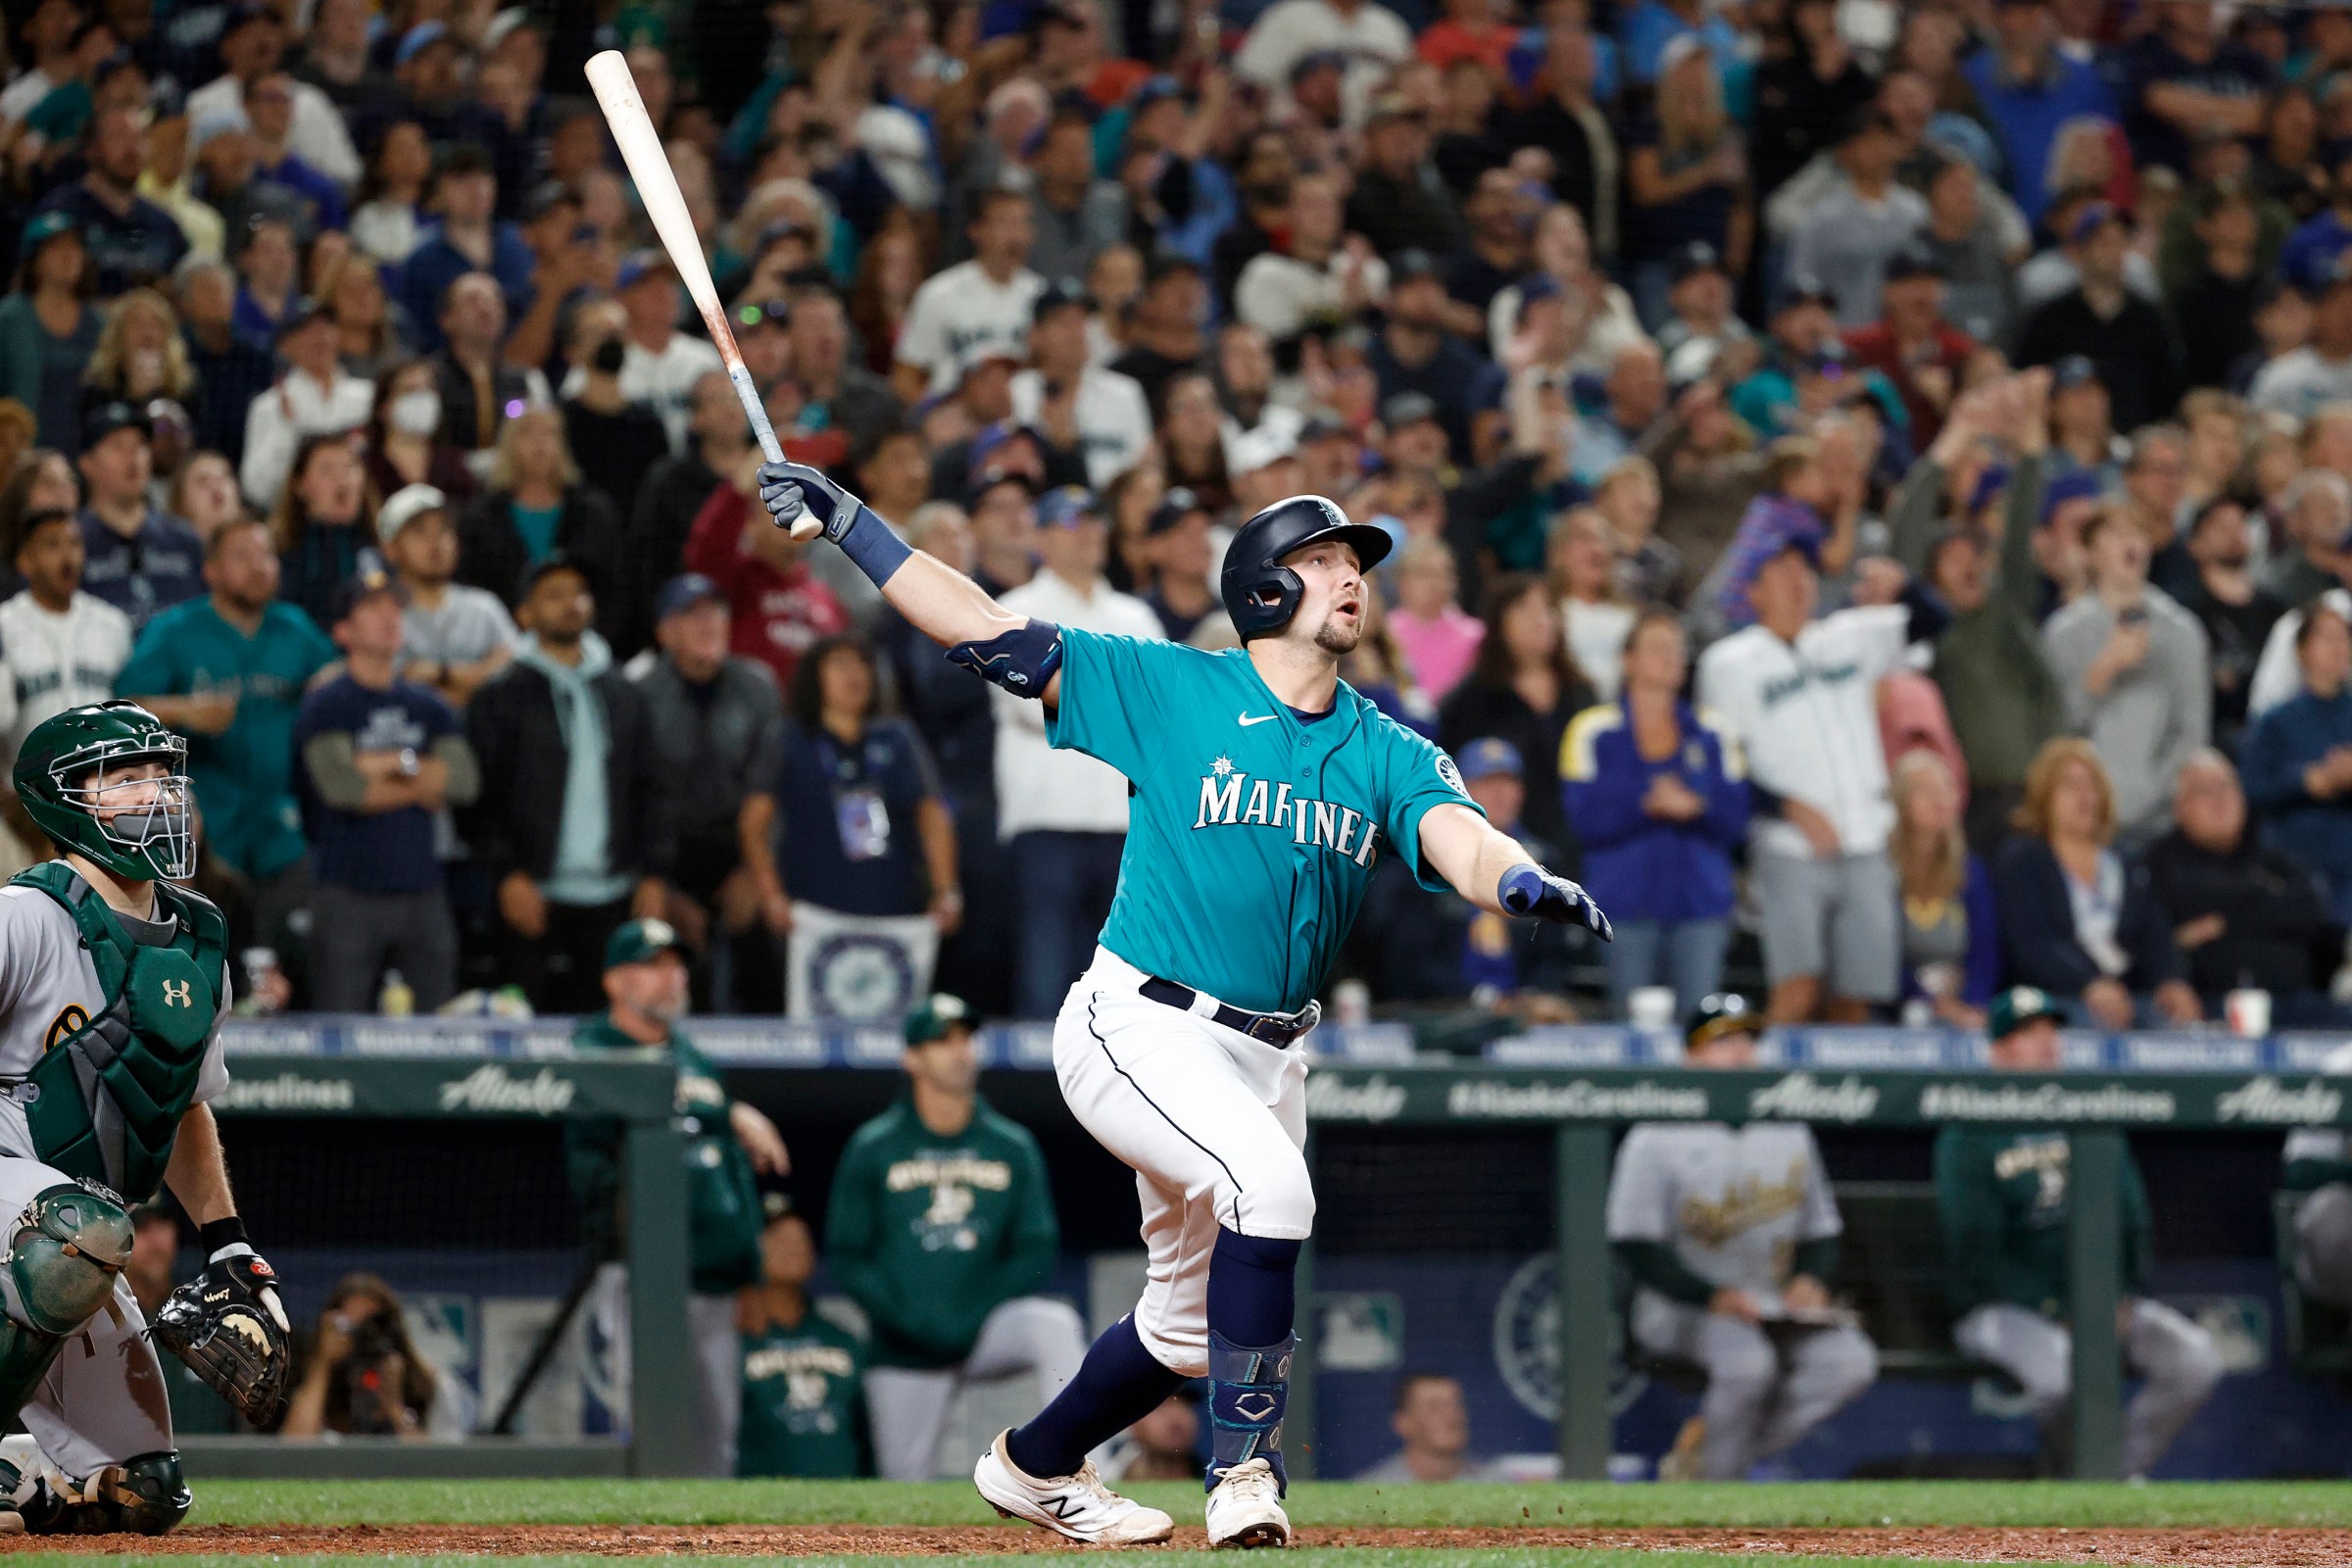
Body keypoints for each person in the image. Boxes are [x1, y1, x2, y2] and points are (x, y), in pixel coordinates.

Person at [756, 450, 1610, 1545]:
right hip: (1139, 1021)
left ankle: (1033, 1464)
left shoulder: (1385, 744)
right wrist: (852, 524)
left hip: (1268, 1052)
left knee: (1185, 1327)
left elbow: (1458, 835)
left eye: (1358, 561)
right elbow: (982, 628)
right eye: (1323, 557)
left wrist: (1518, 879)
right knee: (1274, 1190)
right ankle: (1245, 1474)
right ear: (1263, 586)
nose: (1352, 575)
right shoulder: (1171, 687)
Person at [0, 701, 283, 1532]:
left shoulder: (197, 940)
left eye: (163, 776)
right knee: (80, 1233)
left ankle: (23, 1480)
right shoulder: (24, 916)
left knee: (142, 1490)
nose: (157, 795)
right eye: (127, 779)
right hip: (34, 1213)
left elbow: (183, 1101)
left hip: (73, 1234)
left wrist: (229, 1242)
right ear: (65, 803)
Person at [1936, 986, 2224, 1479]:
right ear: (1999, 1051)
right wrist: (2062, 1310)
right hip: (2006, 1309)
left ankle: (2114, 1478)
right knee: (2061, 1374)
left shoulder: (2088, 1112)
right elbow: (1976, 1249)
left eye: (2051, 1031)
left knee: (2196, 1360)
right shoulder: (1970, 1131)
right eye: (2028, 1034)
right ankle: (2087, 1479)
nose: (2046, 1043)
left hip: (2103, 1303)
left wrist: (2120, 1295)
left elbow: (2133, 1222)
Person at [1607, 994, 1879, 1482]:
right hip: (1680, 1307)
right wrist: (1712, 1297)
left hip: (1771, 1304)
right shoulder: (1655, 1132)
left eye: (1748, 1040)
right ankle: (1718, 1493)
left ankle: (1707, 1456)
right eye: (1723, 1042)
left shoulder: (1787, 1126)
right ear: (1690, 1058)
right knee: (1747, 1363)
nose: (1741, 1053)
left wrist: (1809, 1280)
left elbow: (1821, 1232)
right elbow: (1634, 1244)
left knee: (1849, 1362)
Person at [826, 994, 1084, 1481]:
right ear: (911, 1058)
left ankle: (1086, 1468)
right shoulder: (874, 1145)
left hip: (985, 1328)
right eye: (942, 1041)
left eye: (966, 1039)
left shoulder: (1010, 1144)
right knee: (903, 1485)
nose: (960, 1051)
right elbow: (849, 1255)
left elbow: (1035, 1248)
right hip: (904, 1341)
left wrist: (971, 1313)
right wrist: (911, 1321)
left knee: (1051, 1323)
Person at [569, 918, 789, 1477]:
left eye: (676, 963)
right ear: (615, 982)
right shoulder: (594, 1050)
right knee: (644, 1426)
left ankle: (714, 1557)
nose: (671, 977)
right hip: (640, 1273)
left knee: (716, 1440)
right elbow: (592, 1169)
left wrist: (750, 1271)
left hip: (714, 1280)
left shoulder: (692, 1056)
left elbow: (729, 1172)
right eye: (652, 965)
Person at [1696, 525, 1922, 1023]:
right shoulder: (1728, 663)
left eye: (1804, 570)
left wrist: (1901, 586)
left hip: (1866, 840)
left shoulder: (1848, 637)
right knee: (1796, 989)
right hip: (1788, 847)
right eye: (1781, 571)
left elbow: (1936, 622)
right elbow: (1723, 768)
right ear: (1752, 591)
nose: (1798, 580)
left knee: (1856, 999)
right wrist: (1787, 808)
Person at [462, 556, 671, 1014]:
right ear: (525, 614)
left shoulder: (623, 693)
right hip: (533, 894)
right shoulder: (500, 696)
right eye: (554, 595)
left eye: (579, 593)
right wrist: (508, 874)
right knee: (525, 1034)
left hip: (615, 895)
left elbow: (651, 788)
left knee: (613, 1030)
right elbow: (481, 799)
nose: (571, 604)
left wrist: (654, 875)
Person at [995, 489, 1163, 1018]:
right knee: (1045, 968)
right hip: (1046, 818)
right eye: (1071, 523)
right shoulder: (1017, 608)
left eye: (1094, 522)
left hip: (1126, 822)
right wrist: (1118, 703)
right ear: (1041, 538)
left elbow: (1163, 715)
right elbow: (1027, 705)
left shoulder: (1135, 615)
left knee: (1127, 979)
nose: (1089, 533)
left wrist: (1080, 694)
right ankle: (1039, 1092)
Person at [738, 636, 958, 1018]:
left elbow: (933, 816)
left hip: (894, 909)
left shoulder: (898, 738)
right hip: (813, 912)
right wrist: (769, 894)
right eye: (839, 664)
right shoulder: (788, 738)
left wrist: (946, 890)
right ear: (814, 677)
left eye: (861, 664)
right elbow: (754, 822)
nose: (854, 674)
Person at [115, 518, 333, 903]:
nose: (258, 566)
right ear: (210, 570)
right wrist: (183, 710)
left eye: (266, 555)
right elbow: (123, 707)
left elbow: (336, 674)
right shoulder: (176, 629)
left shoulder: (294, 627)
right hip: (207, 829)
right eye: (242, 556)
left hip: (281, 828)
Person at [293, 562, 478, 1014]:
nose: (390, 615)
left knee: (438, 1026)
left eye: (394, 606)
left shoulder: (429, 706)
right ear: (343, 631)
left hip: (424, 890)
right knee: (343, 1022)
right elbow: (343, 790)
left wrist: (387, 763)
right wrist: (419, 780)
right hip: (348, 892)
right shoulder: (327, 705)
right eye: (372, 608)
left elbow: (464, 782)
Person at [1562, 612, 1747, 1019]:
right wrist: (1646, 803)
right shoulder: (1591, 730)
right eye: (1658, 647)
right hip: (1624, 904)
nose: (1671, 657)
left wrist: (1696, 807)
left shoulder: (1714, 731)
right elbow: (1583, 817)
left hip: (1699, 904)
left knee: (1700, 1026)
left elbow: (1736, 817)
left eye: (1677, 649)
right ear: (1628, 660)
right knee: (1630, 1030)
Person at [631, 575, 783, 1008]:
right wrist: (658, 882)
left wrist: (757, 872)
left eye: (715, 612)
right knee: (669, 957)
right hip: (667, 855)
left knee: (764, 951)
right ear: (664, 632)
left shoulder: (758, 687)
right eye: (690, 614)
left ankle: (771, 1068)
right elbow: (632, 795)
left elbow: (774, 789)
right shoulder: (639, 695)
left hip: (740, 850)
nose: (707, 623)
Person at [1993, 738, 2202, 1029]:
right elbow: (2033, 943)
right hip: (2056, 995)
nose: (2085, 795)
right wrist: (2088, 985)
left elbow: (2153, 933)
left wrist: (2171, 980)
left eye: (2091, 785)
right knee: (2092, 1021)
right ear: (2044, 795)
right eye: (2070, 785)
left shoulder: (2124, 862)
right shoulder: (2023, 859)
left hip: (2126, 994)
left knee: (2179, 1026)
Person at [2040, 506, 2212, 843]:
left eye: (2138, 534)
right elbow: (2056, 732)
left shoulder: (2183, 630)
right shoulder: (2064, 633)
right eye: (2117, 535)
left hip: (2163, 820)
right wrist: (2101, 673)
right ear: (2091, 554)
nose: (2131, 543)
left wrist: (2152, 793)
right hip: (2087, 816)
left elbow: (2193, 731)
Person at [2144, 750, 2346, 1026]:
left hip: (2297, 1003)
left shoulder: (2271, 855)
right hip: (2209, 1006)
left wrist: (2222, 922)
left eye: (2228, 786)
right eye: (2205, 790)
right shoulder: (2160, 860)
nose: (2220, 798)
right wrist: (2268, 898)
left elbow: (2311, 909)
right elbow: (2183, 899)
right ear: (2179, 807)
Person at [1438, 575, 1594, 858]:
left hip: (1580, 841)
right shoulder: (1471, 701)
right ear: (1499, 622)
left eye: (1548, 609)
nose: (1541, 620)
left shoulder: (1581, 696)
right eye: (1526, 609)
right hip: (1499, 847)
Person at [456, 409, 625, 641]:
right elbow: (472, 591)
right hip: (503, 647)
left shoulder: (594, 513)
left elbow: (614, 589)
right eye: (528, 434)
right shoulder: (480, 517)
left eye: (549, 434)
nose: (540, 445)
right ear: (509, 444)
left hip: (585, 645)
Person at [736, 1188, 870, 1478]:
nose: (794, 1247)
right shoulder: (734, 1342)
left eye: (801, 1238)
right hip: (755, 1507)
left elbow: (869, 1435)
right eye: (778, 1240)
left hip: (849, 1505)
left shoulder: (843, 1339)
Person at [2239, 601, 2352, 924]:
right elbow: (2252, 788)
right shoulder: (2275, 721)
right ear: (2301, 651)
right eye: (2325, 637)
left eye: (2343, 637)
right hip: (2295, 858)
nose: (2337, 647)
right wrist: (2307, 780)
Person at [0, 507, 131, 762]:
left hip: (103, 781)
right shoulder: (4, 625)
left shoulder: (113, 623)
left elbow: (130, 709)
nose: (67, 556)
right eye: (52, 546)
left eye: (74, 544)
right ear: (25, 561)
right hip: (27, 788)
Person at [895, 190, 1045, 401]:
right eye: (1004, 223)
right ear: (976, 231)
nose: (1015, 236)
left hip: (1021, 422)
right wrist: (932, 420)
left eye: (1022, 224)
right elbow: (906, 376)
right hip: (955, 415)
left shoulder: (1041, 295)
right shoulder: (939, 293)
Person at [377, 484, 515, 712]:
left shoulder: (484, 607)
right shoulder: (378, 613)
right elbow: (382, 683)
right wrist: (477, 675)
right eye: (419, 532)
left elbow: (513, 665)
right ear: (391, 548)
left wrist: (442, 674)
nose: (436, 543)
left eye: (443, 530)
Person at [1890, 750, 2000, 1029]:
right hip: (1895, 1005)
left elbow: (1985, 950)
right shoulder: (1881, 871)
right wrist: (1926, 998)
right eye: (1926, 790)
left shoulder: (1971, 871)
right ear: (1900, 801)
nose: (1940, 799)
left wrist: (1970, 1001)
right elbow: (1879, 956)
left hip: (1962, 1006)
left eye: (1946, 788)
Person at [75, 402, 204, 633]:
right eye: (118, 446)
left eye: (141, 445)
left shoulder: (185, 540)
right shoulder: (72, 543)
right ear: (87, 464)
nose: (133, 456)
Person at [279, 1275, 438, 1442]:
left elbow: (437, 1462)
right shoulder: (307, 1382)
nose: (363, 1338)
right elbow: (294, 1448)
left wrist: (395, 1407)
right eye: (351, 1327)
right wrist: (323, 1362)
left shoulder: (426, 1385)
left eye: (371, 1325)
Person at [0, 212, 102, 454]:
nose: (68, 256)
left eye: (75, 247)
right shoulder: (9, 319)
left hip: (84, 458)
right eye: (56, 248)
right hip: (21, 458)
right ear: (34, 259)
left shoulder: (98, 324)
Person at [268, 433, 375, 632]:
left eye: (350, 467)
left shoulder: (387, 551)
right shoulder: (277, 554)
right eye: (327, 471)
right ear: (299, 486)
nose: (342, 480)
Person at [1354, 1372, 1501, 1482]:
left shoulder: (1493, 1484)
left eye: (1456, 1405)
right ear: (1402, 1422)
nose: (1451, 1416)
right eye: (1434, 1408)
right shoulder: (1373, 1488)